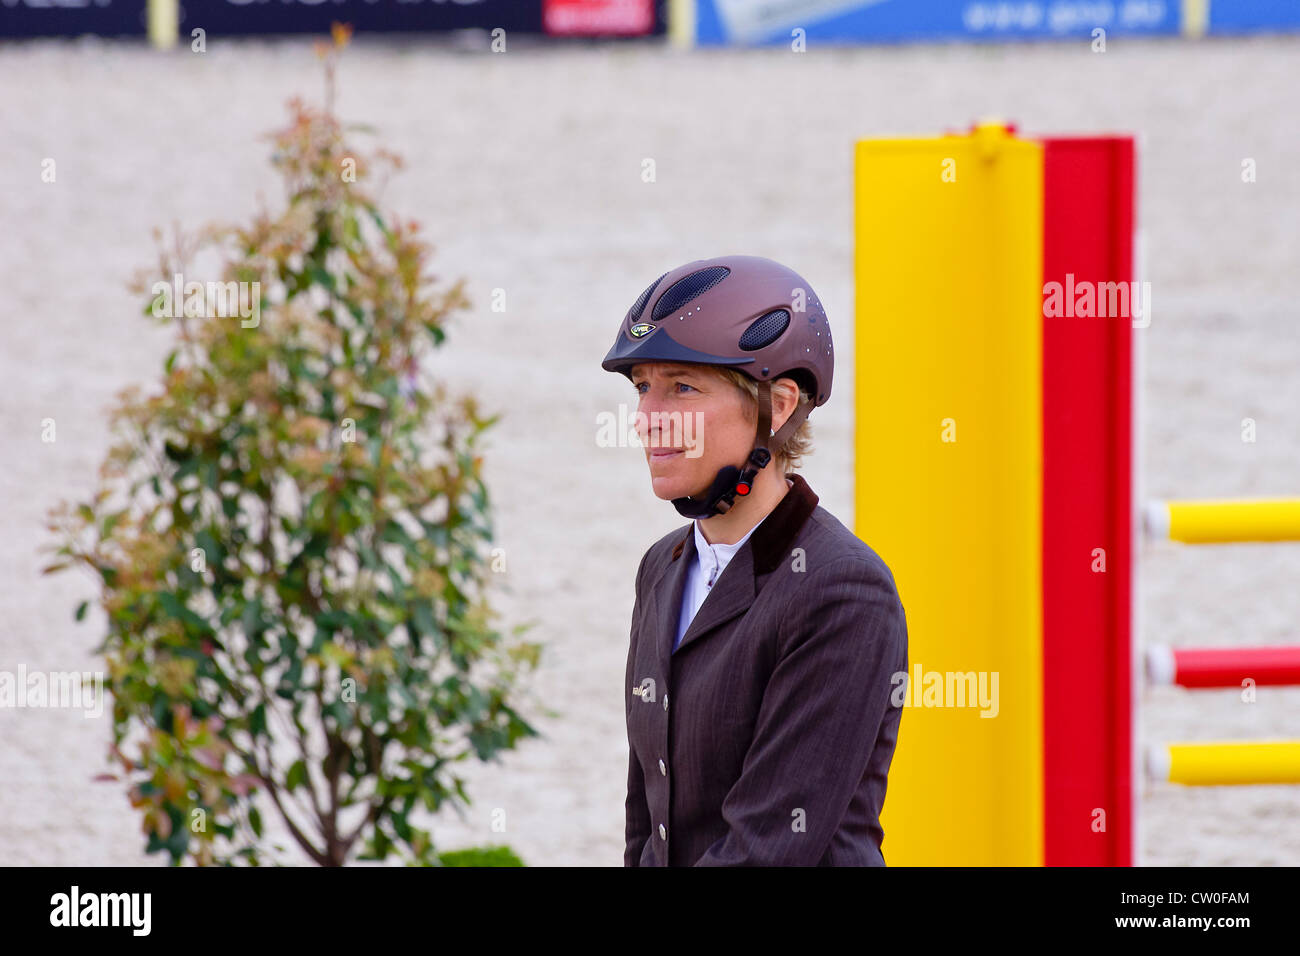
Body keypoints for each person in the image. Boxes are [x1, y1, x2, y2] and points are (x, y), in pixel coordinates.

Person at [601, 254, 909, 866]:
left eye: (681, 388)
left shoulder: (842, 590)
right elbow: (648, 825)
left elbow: (767, 848)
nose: (645, 421)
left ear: (780, 404)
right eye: (642, 388)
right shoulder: (661, 569)